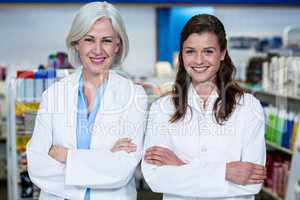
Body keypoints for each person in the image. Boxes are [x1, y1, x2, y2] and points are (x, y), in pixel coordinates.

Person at [26, 2, 147, 200]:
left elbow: (120, 171)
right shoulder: (53, 95)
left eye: (106, 40)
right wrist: (104, 159)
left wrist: (65, 155)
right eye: (89, 39)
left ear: (117, 45)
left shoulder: (134, 96)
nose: (98, 50)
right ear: (76, 43)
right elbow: (37, 165)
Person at [142, 14, 266, 200]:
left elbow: (251, 184)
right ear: (181, 54)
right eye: (190, 51)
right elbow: (155, 179)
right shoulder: (163, 108)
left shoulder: (248, 107)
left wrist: (181, 167)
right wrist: (225, 172)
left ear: (222, 53)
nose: (198, 60)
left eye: (208, 51)